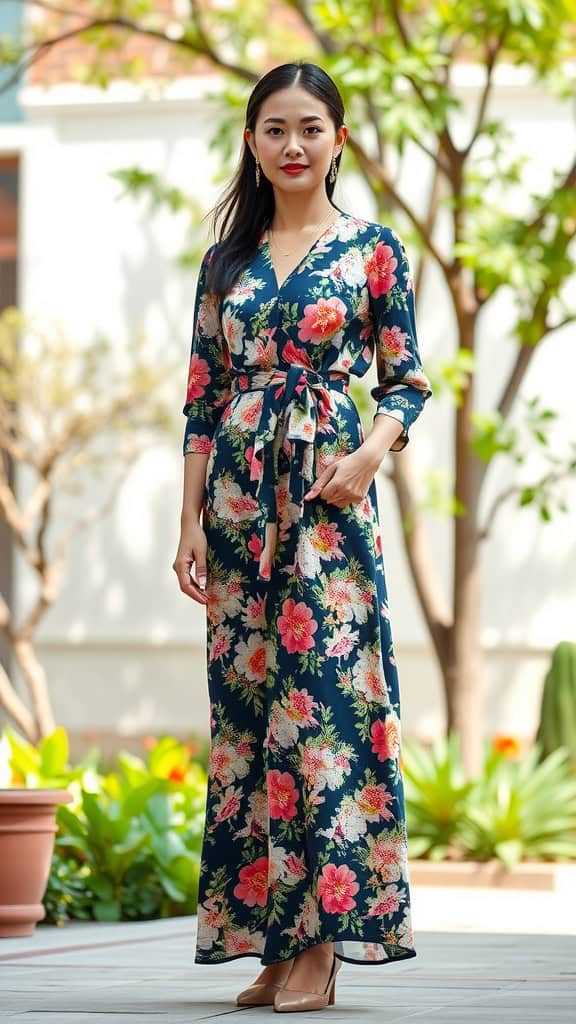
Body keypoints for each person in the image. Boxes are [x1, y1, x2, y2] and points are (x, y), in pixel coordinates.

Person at [173, 60, 432, 1014]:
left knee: (322, 710)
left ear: (338, 141)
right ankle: (275, 943)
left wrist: (367, 457)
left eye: (310, 128)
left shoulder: (372, 250)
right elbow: (201, 397)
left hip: (326, 502)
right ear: (252, 142)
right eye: (275, 129)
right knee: (246, 719)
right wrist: (189, 519)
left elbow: (406, 381)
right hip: (239, 512)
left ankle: (323, 944)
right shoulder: (225, 263)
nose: (292, 145)